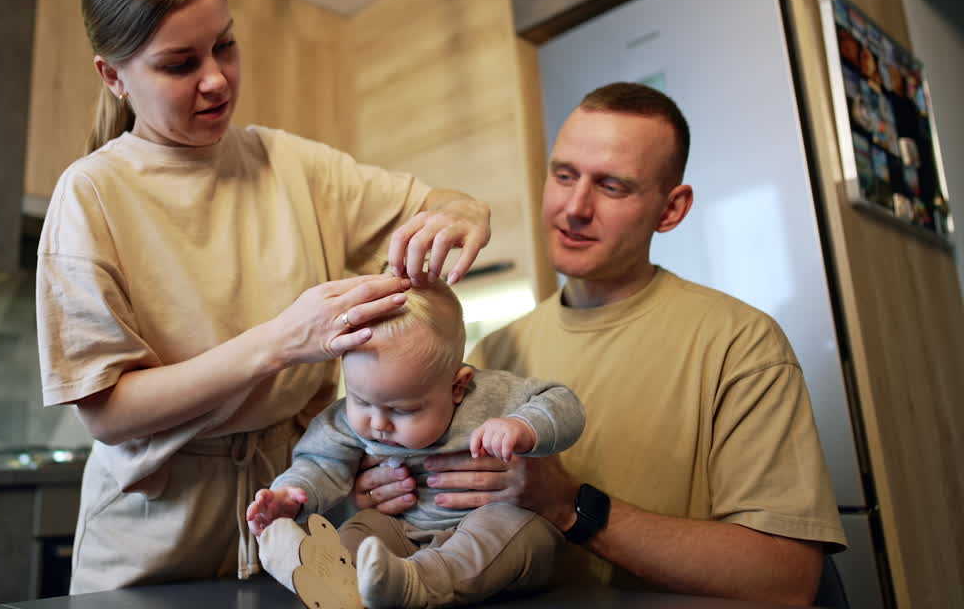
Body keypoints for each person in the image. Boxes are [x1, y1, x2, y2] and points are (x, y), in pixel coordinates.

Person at [35, 0, 492, 594]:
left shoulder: (293, 165)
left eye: (224, 44)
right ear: (114, 76)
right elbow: (107, 411)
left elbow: (437, 204)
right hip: (151, 540)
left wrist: (463, 210)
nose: (216, 79)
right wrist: (282, 342)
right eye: (179, 63)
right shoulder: (92, 193)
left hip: (302, 517)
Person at [352, 82, 848, 607]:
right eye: (564, 176)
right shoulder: (493, 354)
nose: (574, 208)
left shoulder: (741, 344)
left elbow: (787, 578)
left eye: (612, 186)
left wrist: (569, 505)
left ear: (671, 209)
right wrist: (390, 493)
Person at [246, 281, 584, 608]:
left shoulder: (490, 397)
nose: (377, 423)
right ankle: (323, 572)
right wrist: (290, 494)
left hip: (485, 532)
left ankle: (415, 585)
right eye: (361, 400)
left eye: (401, 409)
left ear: (457, 387)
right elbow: (321, 463)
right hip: (401, 535)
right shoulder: (348, 422)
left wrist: (523, 425)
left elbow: (561, 402)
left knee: (513, 528)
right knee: (364, 528)